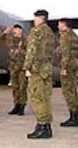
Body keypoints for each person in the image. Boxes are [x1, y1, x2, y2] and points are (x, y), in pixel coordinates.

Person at [23, 9, 56, 139]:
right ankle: (47, 126)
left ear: (39, 18)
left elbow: (31, 50)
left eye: (35, 18)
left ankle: (42, 126)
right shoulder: (50, 33)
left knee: (37, 98)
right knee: (46, 97)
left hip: (37, 68)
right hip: (46, 68)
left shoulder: (36, 31)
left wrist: (27, 67)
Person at [57, 18, 78, 127]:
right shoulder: (74, 35)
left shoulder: (65, 36)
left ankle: (74, 118)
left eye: (59, 24)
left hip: (68, 66)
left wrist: (63, 67)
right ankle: (75, 116)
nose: (58, 26)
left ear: (63, 24)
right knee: (73, 91)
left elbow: (65, 53)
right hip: (74, 66)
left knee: (68, 92)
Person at [0, 24, 28, 115]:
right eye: (13, 30)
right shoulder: (11, 41)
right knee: (15, 87)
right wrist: (4, 33)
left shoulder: (26, 41)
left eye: (16, 30)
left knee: (22, 87)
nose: (14, 31)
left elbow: (30, 53)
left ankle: (22, 106)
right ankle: (17, 105)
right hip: (13, 67)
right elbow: (1, 41)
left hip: (22, 68)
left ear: (21, 31)